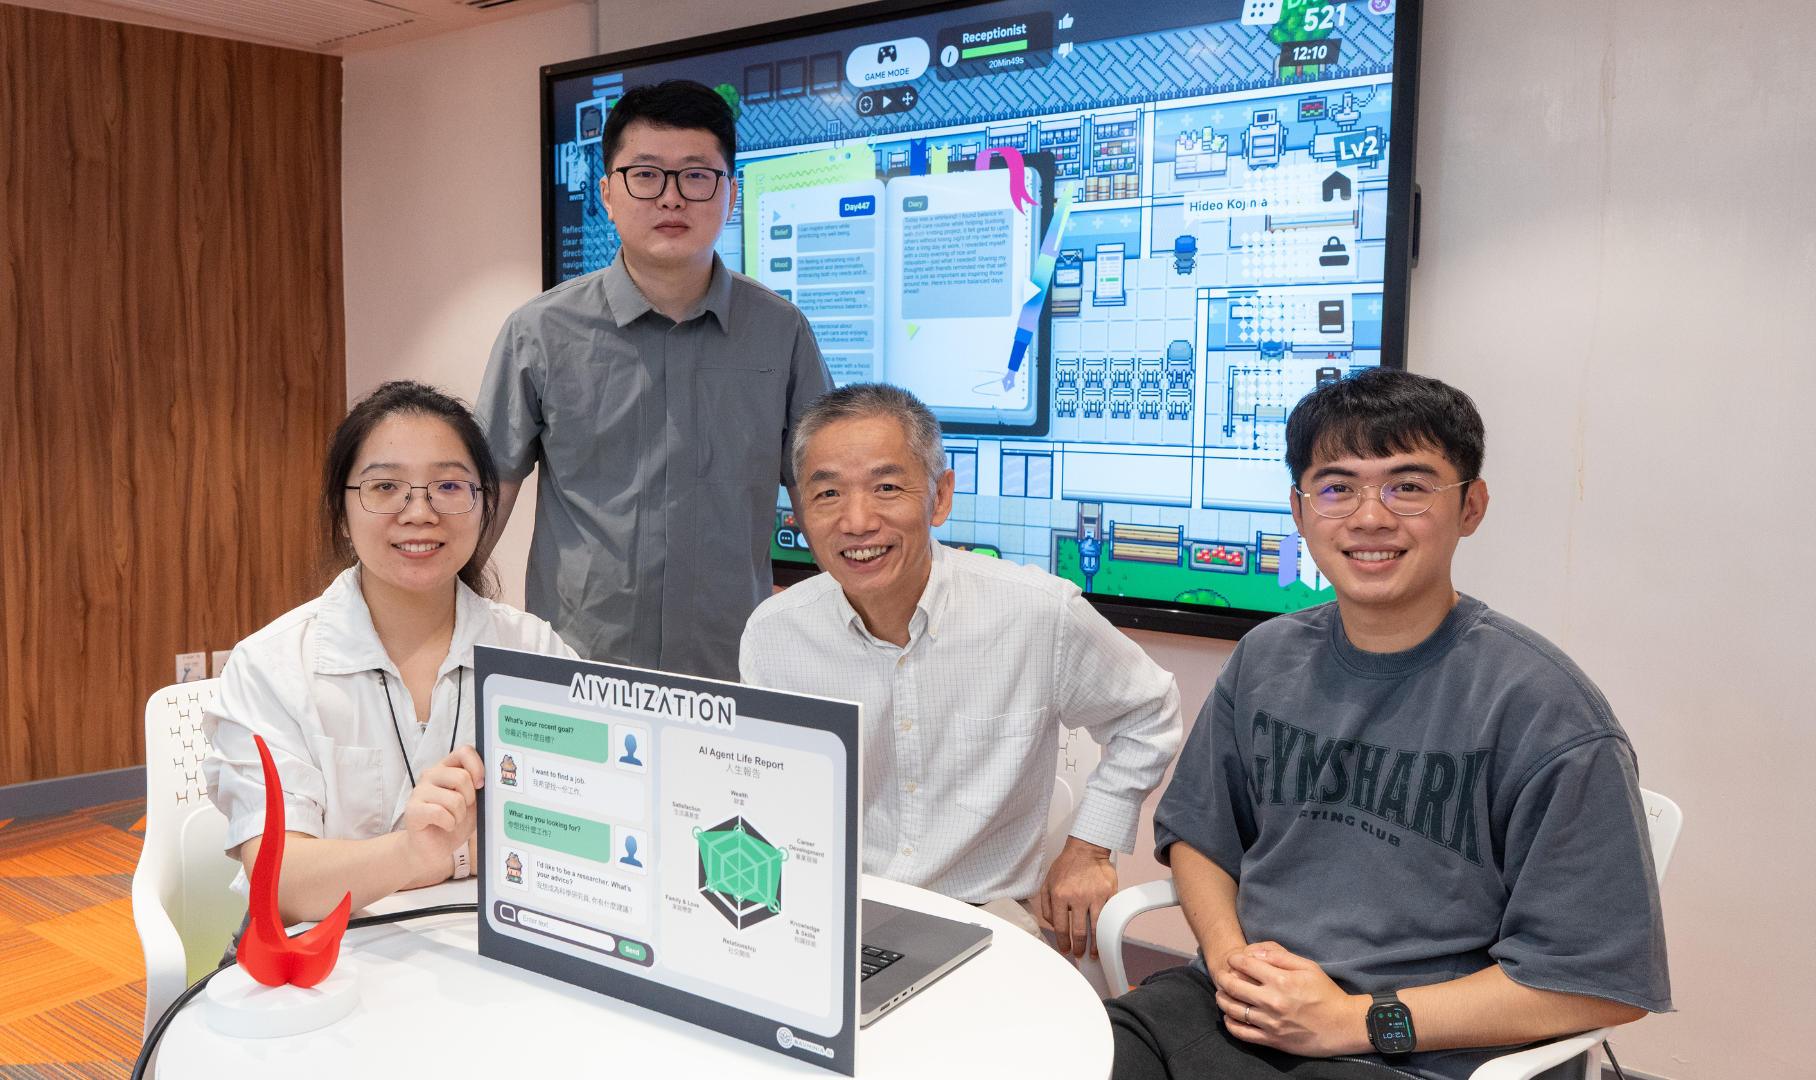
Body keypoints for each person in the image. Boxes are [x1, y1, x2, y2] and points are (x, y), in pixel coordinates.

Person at [1109, 369, 1670, 1080]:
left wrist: (1352, 1021)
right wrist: (1230, 962)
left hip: (1414, 1055)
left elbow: (1599, 981)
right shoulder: (1266, 658)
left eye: (1408, 486)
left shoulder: (1544, 709)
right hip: (1230, 1012)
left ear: (1471, 506)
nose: (1370, 517)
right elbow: (1200, 834)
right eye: (1337, 487)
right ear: (1300, 509)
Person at [738, 385, 1181, 958]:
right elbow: (766, 792)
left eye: (886, 487)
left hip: (981, 920)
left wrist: (1090, 846)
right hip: (826, 913)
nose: (857, 521)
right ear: (801, 511)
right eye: (828, 493)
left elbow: (1149, 712)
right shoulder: (774, 634)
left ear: (940, 496)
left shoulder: (1037, 612)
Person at [476, 80, 832, 682]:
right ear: (607, 194)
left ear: (731, 194)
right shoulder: (539, 332)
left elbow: (824, 494)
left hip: (733, 669)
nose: (671, 197)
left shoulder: (782, 331)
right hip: (577, 669)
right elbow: (484, 502)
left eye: (697, 176)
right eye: (645, 175)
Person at [203, 382, 577, 921]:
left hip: (494, 944)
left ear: (482, 505)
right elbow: (281, 883)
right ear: (342, 512)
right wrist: (414, 852)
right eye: (385, 487)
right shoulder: (272, 667)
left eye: (449, 485)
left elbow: (583, 829)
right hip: (334, 954)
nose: (419, 512)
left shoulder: (535, 652)